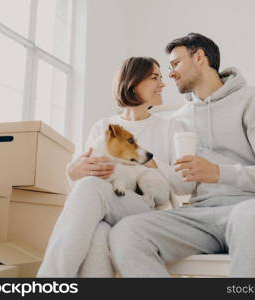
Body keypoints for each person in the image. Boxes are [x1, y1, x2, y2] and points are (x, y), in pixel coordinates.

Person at [109, 33, 255, 277]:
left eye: (176, 64)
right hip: (199, 217)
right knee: (126, 232)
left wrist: (219, 173)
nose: (171, 74)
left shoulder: (252, 100)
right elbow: (178, 183)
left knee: (250, 218)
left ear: (199, 57)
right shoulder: (177, 120)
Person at [37, 57, 191, 277]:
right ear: (133, 82)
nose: (162, 84)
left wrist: (148, 160)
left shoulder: (170, 127)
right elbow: (84, 187)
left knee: (91, 191)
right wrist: (73, 172)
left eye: (161, 78)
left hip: (151, 208)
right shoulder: (103, 126)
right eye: (155, 77)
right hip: (110, 203)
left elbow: (183, 184)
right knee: (98, 232)